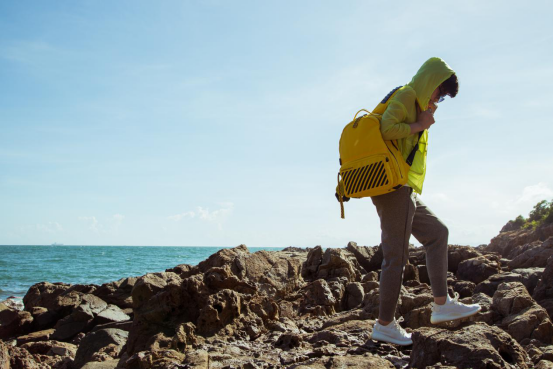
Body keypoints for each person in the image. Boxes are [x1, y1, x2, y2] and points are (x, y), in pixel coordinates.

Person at [369, 57, 481, 346]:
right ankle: (384, 325)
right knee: (396, 257)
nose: (439, 100)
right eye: (439, 93)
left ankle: (441, 305)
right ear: (430, 83)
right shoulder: (407, 95)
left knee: (438, 233)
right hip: (392, 188)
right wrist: (419, 124)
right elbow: (385, 128)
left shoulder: (417, 102)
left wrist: (422, 119)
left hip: (404, 188)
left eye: (443, 98)